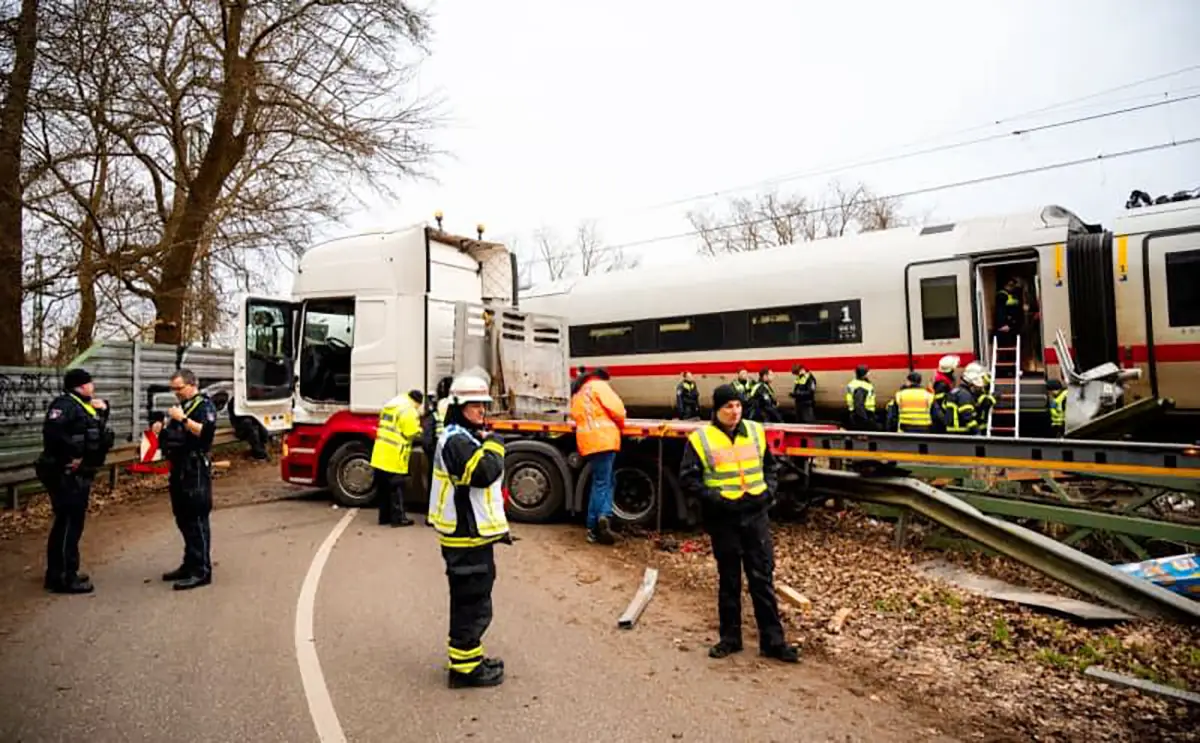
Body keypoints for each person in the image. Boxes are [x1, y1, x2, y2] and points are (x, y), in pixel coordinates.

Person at [679, 384, 799, 664]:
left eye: (738, 406)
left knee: (762, 579)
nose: (734, 412)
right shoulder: (701, 439)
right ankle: (730, 639)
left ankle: (773, 642)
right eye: (728, 407)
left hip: (756, 515)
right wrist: (717, 499)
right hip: (724, 518)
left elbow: (771, 466)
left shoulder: (756, 432)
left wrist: (768, 493)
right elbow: (689, 479)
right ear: (716, 410)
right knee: (729, 580)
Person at [427, 373, 510, 689]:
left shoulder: (464, 435)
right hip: (465, 538)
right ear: (459, 405)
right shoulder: (456, 439)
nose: (482, 410)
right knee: (471, 604)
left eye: (484, 404)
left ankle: (469, 659)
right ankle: (464, 671)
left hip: (471, 536)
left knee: (474, 601)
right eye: (475, 404)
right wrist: (496, 445)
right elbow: (483, 472)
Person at [35, 368, 114, 594]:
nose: (93, 386)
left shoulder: (83, 405)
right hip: (65, 474)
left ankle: (64, 570)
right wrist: (73, 456)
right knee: (68, 523)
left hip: (79, 474)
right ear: (80, 386)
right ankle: (62, 577)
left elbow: (96, 433)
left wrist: (104, 412)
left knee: (71, 522)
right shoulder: (65, 405)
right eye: (90, 383)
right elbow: (53, 434)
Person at [159, 368, 218, 590]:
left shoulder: (203, 406)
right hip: (179, 467)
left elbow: (205, 434)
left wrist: (182, 419)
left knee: (196, 519)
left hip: (195, 470)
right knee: (182, 518)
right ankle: (189, 563)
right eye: (173, 389)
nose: (176, 393)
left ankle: (202, 570)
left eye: (179, 388)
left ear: (192, 385)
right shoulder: (181, 407)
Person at [570, 367, 626, 545]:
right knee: (603, 482)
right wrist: (621, 424)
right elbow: (618, 410)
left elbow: (575, 416)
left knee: (603, 480)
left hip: (588, 443)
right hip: (605, 440)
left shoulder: (579, 393)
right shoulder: (599, 386)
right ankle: (598, 521)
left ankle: (598, 522)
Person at [371, 389, 423, 527]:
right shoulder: (409, 410)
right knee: (396, 488)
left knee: (383, 488)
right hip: (394, 455)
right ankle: (398, 518)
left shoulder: (391, 405)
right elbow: (411, 433)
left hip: (380, 452)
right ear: (417, 402)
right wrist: (421, 431)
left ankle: (384, 518)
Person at [943, 363, 986, 436]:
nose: (978, 388)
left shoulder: (957, 391)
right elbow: (967, 417)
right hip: (962, 432)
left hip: (954, 432)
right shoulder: (964, 395)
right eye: (976, 387)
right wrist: (977, 432)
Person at [994, 276, 1023, 351]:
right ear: (1005, 285)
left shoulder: (1013, 294)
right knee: (1008, 345)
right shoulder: (1001, 295)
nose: (1012, 287)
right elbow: (1000, 311)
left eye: (1013, 285)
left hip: (1014, 323)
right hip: (1006, 326)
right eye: (1010, 285)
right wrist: (1003, 324)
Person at [844, 364, 876, 431]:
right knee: (862, 439)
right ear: (863, 374)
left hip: (856, 414)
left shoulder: (854, 383)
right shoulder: (862, 386)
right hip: (862, 415)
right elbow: (859, 404)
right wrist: (865, 421)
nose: (869, 374)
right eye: (867, 372)